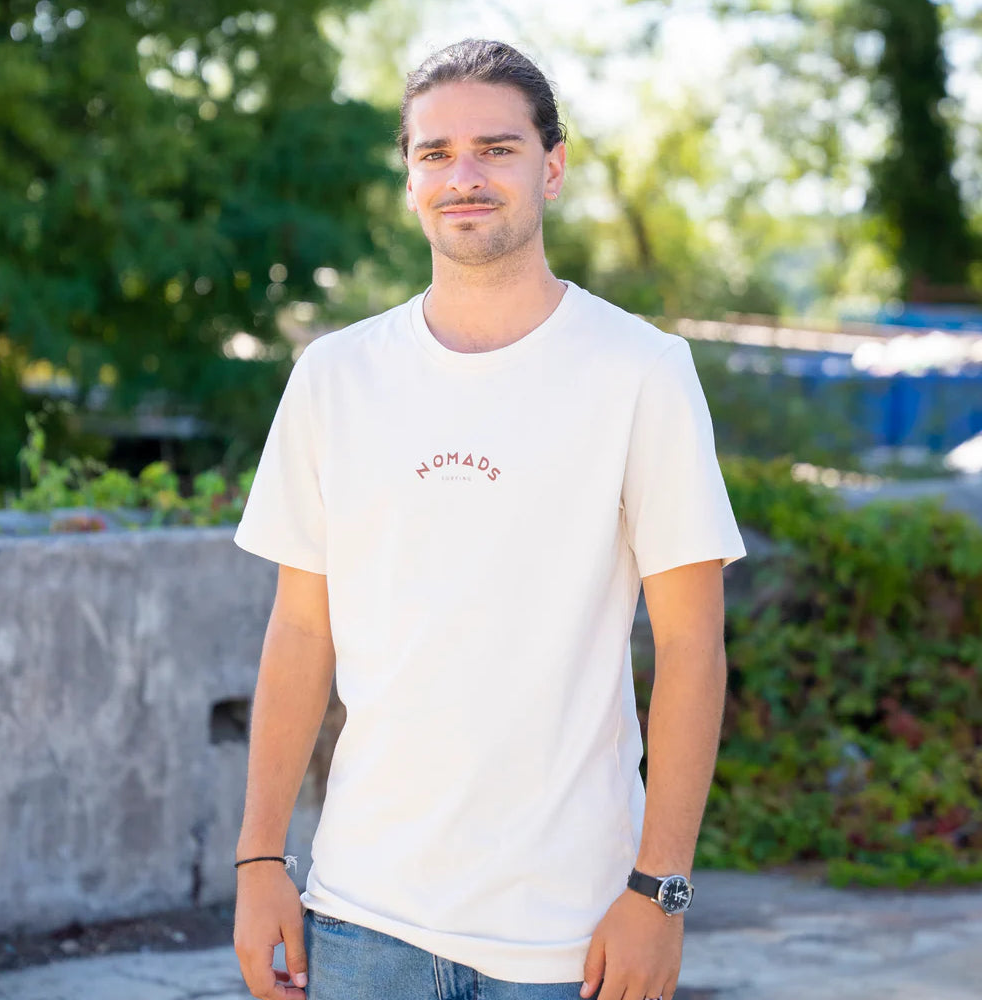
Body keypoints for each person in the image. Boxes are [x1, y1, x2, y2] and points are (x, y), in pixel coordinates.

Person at [230, 37, 746, 1000]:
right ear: (410, 177)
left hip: (571, 935)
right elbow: (301, 629)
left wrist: (660, 891)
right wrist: (259, 859)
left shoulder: (640, 371)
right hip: (360, 921)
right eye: (435, 153)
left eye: (497, 149)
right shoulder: (335, 377)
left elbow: (690, 648)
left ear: (552, 167)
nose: (463, 176)